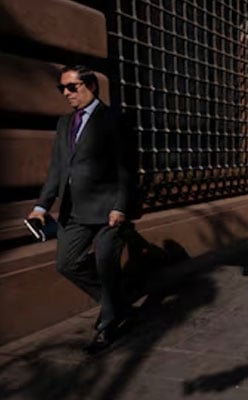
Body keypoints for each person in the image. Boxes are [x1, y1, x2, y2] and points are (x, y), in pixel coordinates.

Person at [26, 65, 132, 353]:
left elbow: (126, 167)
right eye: (62, 88)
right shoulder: (64, 123)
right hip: (74, 211)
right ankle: (118, 304)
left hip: (109, 210)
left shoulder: (113, 119)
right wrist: (41, 206)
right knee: (66, 263)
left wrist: (121, 206)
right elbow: (58, 169)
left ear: (91, 87)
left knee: (106, 266)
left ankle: (107, 326)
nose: (67, 93)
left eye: (72, 87)